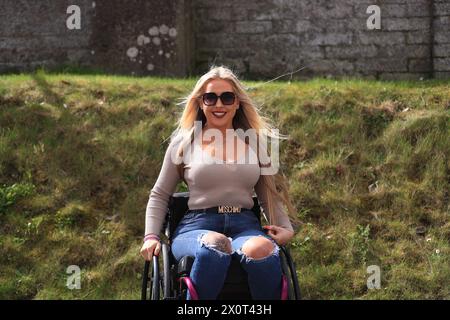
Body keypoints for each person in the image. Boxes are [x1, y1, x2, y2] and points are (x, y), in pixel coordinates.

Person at [140, 65, 299, 300]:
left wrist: (285, 227)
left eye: (227, 97)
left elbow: (268, 192)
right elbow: (160, 194)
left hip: (244, 224)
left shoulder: (255, 144)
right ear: (200, 103)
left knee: (262, 249)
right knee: (216, 243)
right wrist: (151, 236)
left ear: (237, 103)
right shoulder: (183, 144)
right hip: (196, 226)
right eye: (210, 98)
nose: (219, 104)